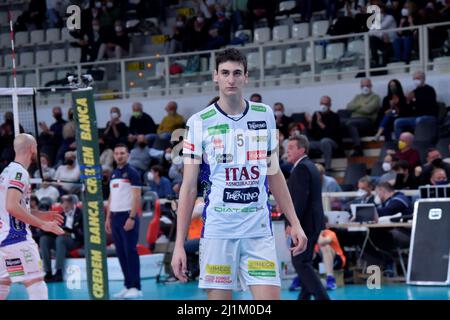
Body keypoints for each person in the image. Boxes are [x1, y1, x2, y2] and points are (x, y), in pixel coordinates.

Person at [171, 48, 307, 300]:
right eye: (225, 73)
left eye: (236, 73)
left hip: (259, 232)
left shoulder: (264, 114)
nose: (230, 79)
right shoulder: (198, 122)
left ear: (246, 77)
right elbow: (189, 188)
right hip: (218, 233)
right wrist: (179, 245)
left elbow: (274, 173)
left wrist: (295, 222)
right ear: (215, 76)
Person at [0, 134, 64, 300]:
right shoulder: (19, 173)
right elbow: (12, 207)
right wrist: (42, 224)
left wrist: (41, 214)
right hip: (17, 239)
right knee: (35, 283)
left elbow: (12, 207)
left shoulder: (7, 172)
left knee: (3, 283)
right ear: (32, 149)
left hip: (4, 242)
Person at [286, 135, 329, 300]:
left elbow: (301, 200)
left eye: (291, 148)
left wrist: (292, 223)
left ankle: (323, 298)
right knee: (304, 262)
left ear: (301, 149)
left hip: (304, 223)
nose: (287, 151)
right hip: (312, 222)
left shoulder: (302, 168)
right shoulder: (309, 166)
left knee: (301, 263)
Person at [105, 144, 142, 299]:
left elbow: (136, 197)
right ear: (114, 155)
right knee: (120, 253)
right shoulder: (114, 174)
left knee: (130, 251)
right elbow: (111, 197)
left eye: (122, 153)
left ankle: (136, 287)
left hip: (127, 216)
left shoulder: (132, 173)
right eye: (117, 153)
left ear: (128, 155)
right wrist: (108, 217)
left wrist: (132, 217)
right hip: (115, 217)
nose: (119, 155)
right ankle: (127, 285)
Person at [39, 194, 83, 283]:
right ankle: (48, 272)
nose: (65, 206)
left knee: (61, 238)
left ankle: (59, 273)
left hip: (75, 241)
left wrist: (70, 234)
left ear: (73, 204)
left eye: (67, 203)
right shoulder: (60, 215)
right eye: (63, 204)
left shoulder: (81, 213)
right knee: (44, 239)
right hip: (60, 241)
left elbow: (83, 233)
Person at [393, 71, 438, 139]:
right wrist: (408, 101)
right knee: (398, 122)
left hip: (429, 116)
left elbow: (427, 105)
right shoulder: (414, 91)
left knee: (419, 120)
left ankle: (418, 143)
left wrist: (414, 99)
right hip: (416, 117)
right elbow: (410, 110)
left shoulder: (429, 90)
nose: (415, 80)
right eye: (414, 79)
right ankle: (401, 144)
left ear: (423, 79)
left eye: (417, 78)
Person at [345, 78, 381, 156]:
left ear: (371, 86)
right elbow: (348, 107)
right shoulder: (357, 97)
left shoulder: (375, 97)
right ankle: (339, 151)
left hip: (367, 121)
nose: (365, 87)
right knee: (340, 122)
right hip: (354, 120)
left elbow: (368, 110)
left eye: (367, 85)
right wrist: (361, 105)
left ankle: (358, 147)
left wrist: (355, 109)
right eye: (363, 85)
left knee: (350, 123)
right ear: (361, 86)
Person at [306, 96, 342, 171]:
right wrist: (310, 122)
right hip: (318, 142)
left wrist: (320, 123)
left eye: (326, 104)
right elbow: (311, 133)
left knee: (325, 141)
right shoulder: (316, 115)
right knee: (306, 144)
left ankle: (328, 168)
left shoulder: (335, 116)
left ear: (330, 105)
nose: (323, 106)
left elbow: (330, 133)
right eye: (322, 103)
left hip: (333, 142)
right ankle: (309, 168)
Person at [314, 216, 346, 290]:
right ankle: (300, 278)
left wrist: (319, 232)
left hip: (337, 261)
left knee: (325, 246)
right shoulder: (313, 233)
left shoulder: (330, 233)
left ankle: (330, 279)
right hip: (320, 261)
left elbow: (321, 242)